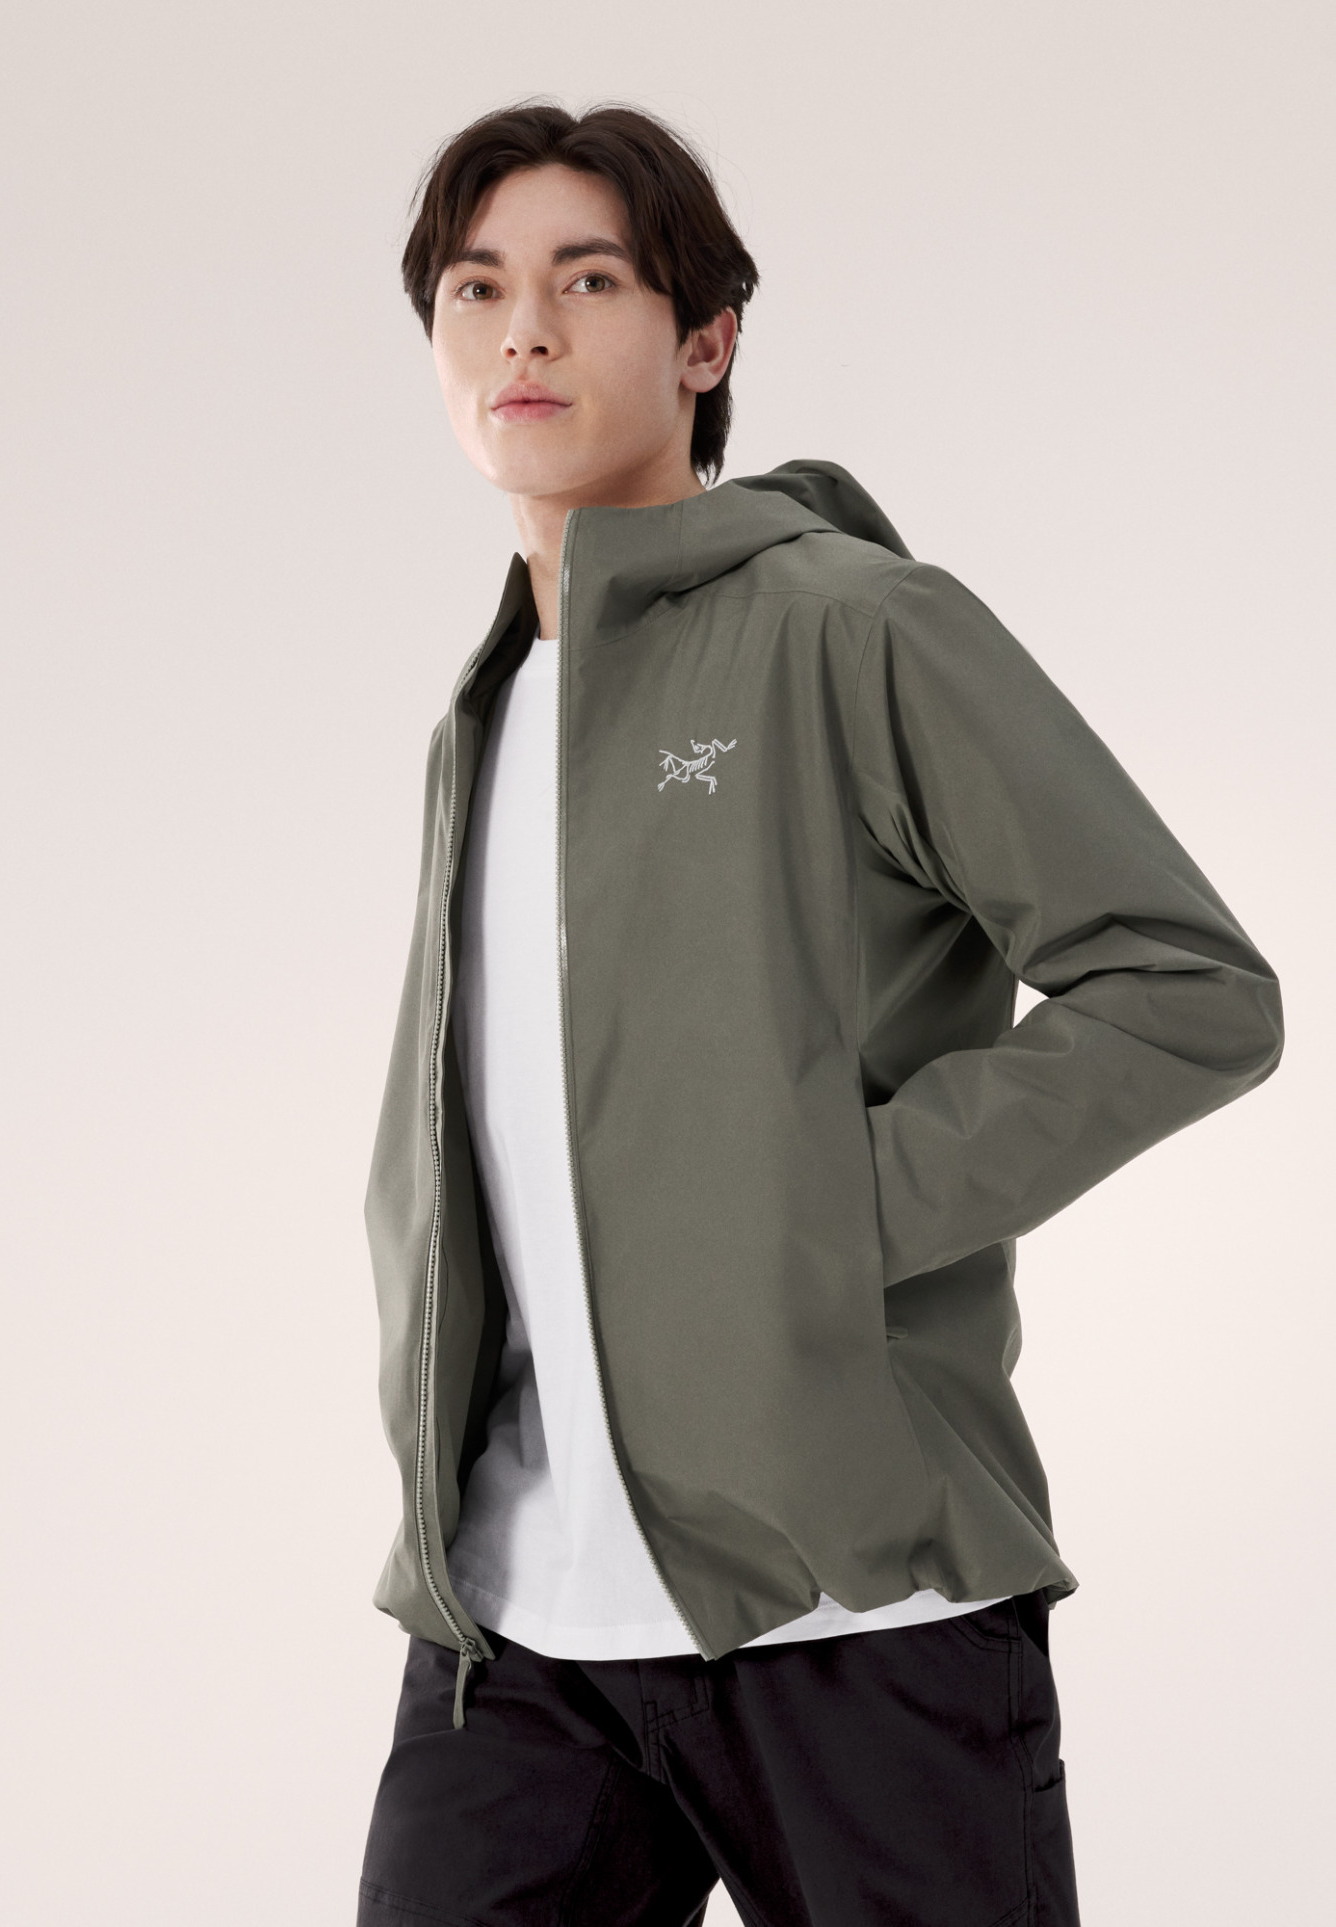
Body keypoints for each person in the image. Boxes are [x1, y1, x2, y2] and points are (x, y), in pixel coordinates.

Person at [355, 101, 1283, 1926]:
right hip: (515, 1633)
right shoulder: (488, 705)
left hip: (857, 1619)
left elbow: (1184, 987)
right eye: (475, 288)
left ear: (705, 342)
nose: (521, 331)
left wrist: (829, 1210)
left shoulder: (850, 628)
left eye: (586, 282)